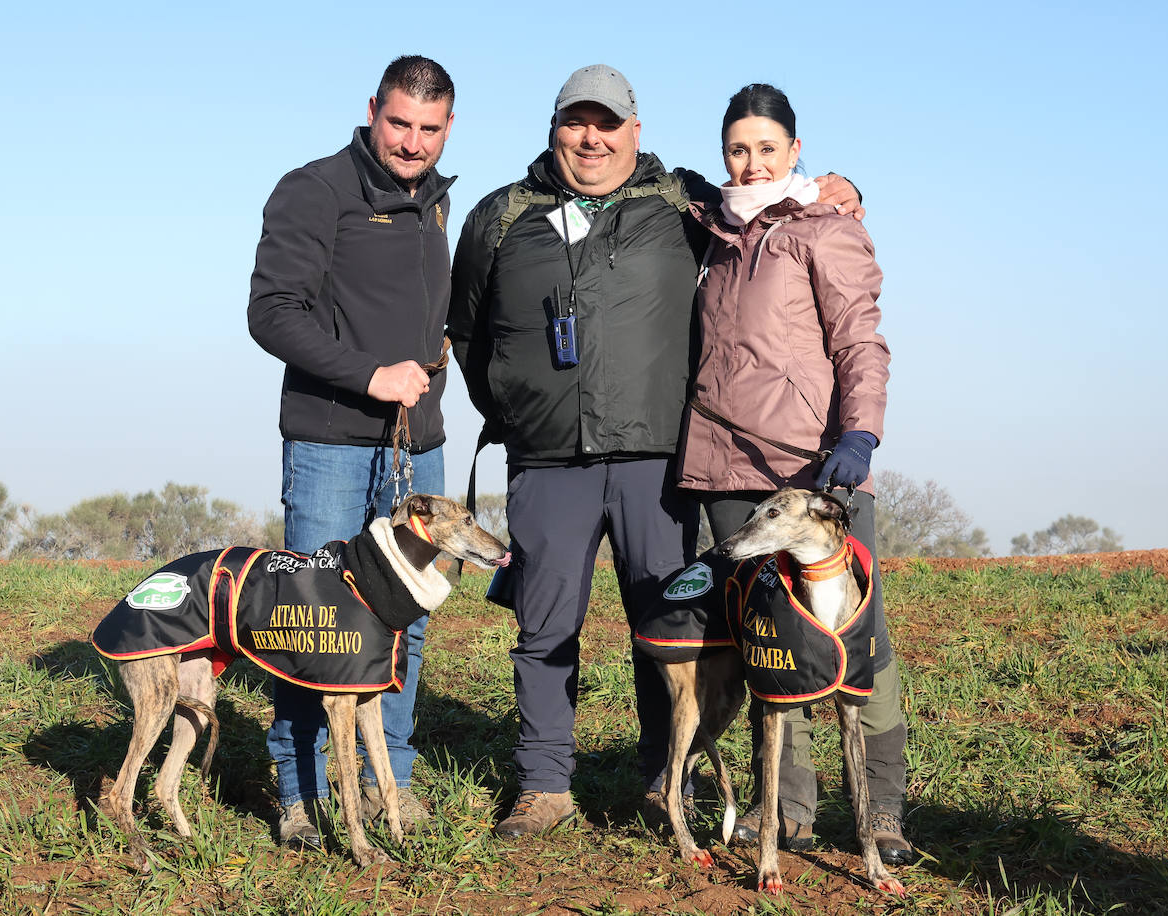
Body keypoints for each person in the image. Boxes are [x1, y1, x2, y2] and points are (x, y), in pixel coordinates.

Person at [446, 65, 862, 838]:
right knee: (543, 628)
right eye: (577, 123)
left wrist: (838, 186)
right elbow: (467, 329)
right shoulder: (501, 216)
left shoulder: (683, 201)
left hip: (657, 460)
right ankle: (543, 785)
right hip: (546, 461)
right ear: (555, 127)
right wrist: (513, 406)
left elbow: (763, 205)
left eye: (608, 123)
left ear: (636, 130)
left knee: (666, 625)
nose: (592, 138)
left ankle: (662, 779)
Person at [677, 82, 912, 864]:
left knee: (855, 644)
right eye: (738, 149)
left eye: (766, 149)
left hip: (814, 475)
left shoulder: (825, 225)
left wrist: (861, 433)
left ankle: (880, 815)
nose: (751, 164)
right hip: (725, 469)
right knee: (769, 647)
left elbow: (861, 342)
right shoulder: (709, 229)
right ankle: (788, 808)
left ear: (795, 149)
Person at [247, 55, 456, 850]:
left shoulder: (435, 200)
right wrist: (369, 375)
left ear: (447, 128)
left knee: (408, 617)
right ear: (373, 110)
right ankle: (299, 792)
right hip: (330, 442)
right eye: (399, 123)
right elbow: (271, 312)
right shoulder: (315, 189)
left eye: (429, 129)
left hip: (418, 449)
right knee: (314, 620)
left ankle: (386, 779)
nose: (411, 143)